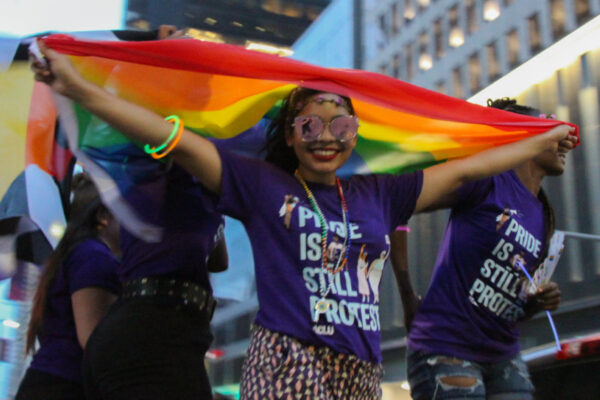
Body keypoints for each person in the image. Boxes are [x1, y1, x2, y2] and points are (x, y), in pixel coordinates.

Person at [31, 43, 575, 399]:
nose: (326, 135)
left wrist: (536, 136)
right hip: (289, 362)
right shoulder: (262, 185)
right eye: (310, 123)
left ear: (357, 135)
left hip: (359, 373)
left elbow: (474, 165)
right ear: (290, 134)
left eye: (341, 124)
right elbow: (172, 136)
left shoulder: (381, 193)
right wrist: (80, 89)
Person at [76, 30, 229, 400]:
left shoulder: (202, 169)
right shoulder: (151, 155)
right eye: (196, 82)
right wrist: (160, 54)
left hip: (174, 330)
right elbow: (127, 108)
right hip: (150, 330)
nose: (207, 89)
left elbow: (218, 260)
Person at [400, 98, 571, 400]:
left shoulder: (541, 213)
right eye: (549, 125)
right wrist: (407, 296)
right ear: (526, 137)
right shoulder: (487, 181)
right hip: (446, 346)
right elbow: (396, 202)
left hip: (504, 354)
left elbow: (515, 299)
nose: (563, 138)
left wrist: (536, 300)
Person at [15, 173, 120, 400]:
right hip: (65, 386)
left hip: (48, 382)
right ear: (103, 215)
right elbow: (92, 339)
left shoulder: (74, 252)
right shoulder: (94, 256)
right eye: (128, 212)